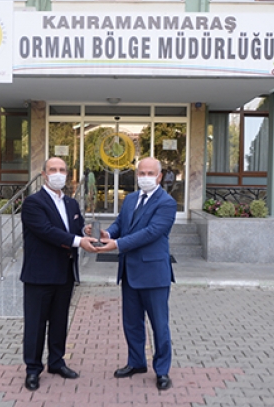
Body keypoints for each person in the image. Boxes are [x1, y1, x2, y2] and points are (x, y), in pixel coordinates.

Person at [89, 157, 177, 390]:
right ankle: (136, 362)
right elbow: (120, 224)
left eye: (150, 173)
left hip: (154, 274)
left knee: (159, 325)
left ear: (159, 177)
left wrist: (117, 244)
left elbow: (151, 232)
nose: (145, 177)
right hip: (130, 272)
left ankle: (162, 371)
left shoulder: (166, 203)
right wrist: (108, 234)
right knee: (132, 322)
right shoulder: (130, 199)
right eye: (141, 173)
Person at [20, 157, 98, 391]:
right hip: (39, 275)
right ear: (44, 174)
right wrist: (79, 241)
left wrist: (84, 230)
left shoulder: (71, 203)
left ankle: (56, 362)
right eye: (53, 169)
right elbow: (46, 231)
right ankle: (33, 369)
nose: (58, 174)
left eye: (62, 170)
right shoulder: (33, 203)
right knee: (35, 324)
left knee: (59, 321)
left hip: (65, 273)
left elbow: (74, 228)